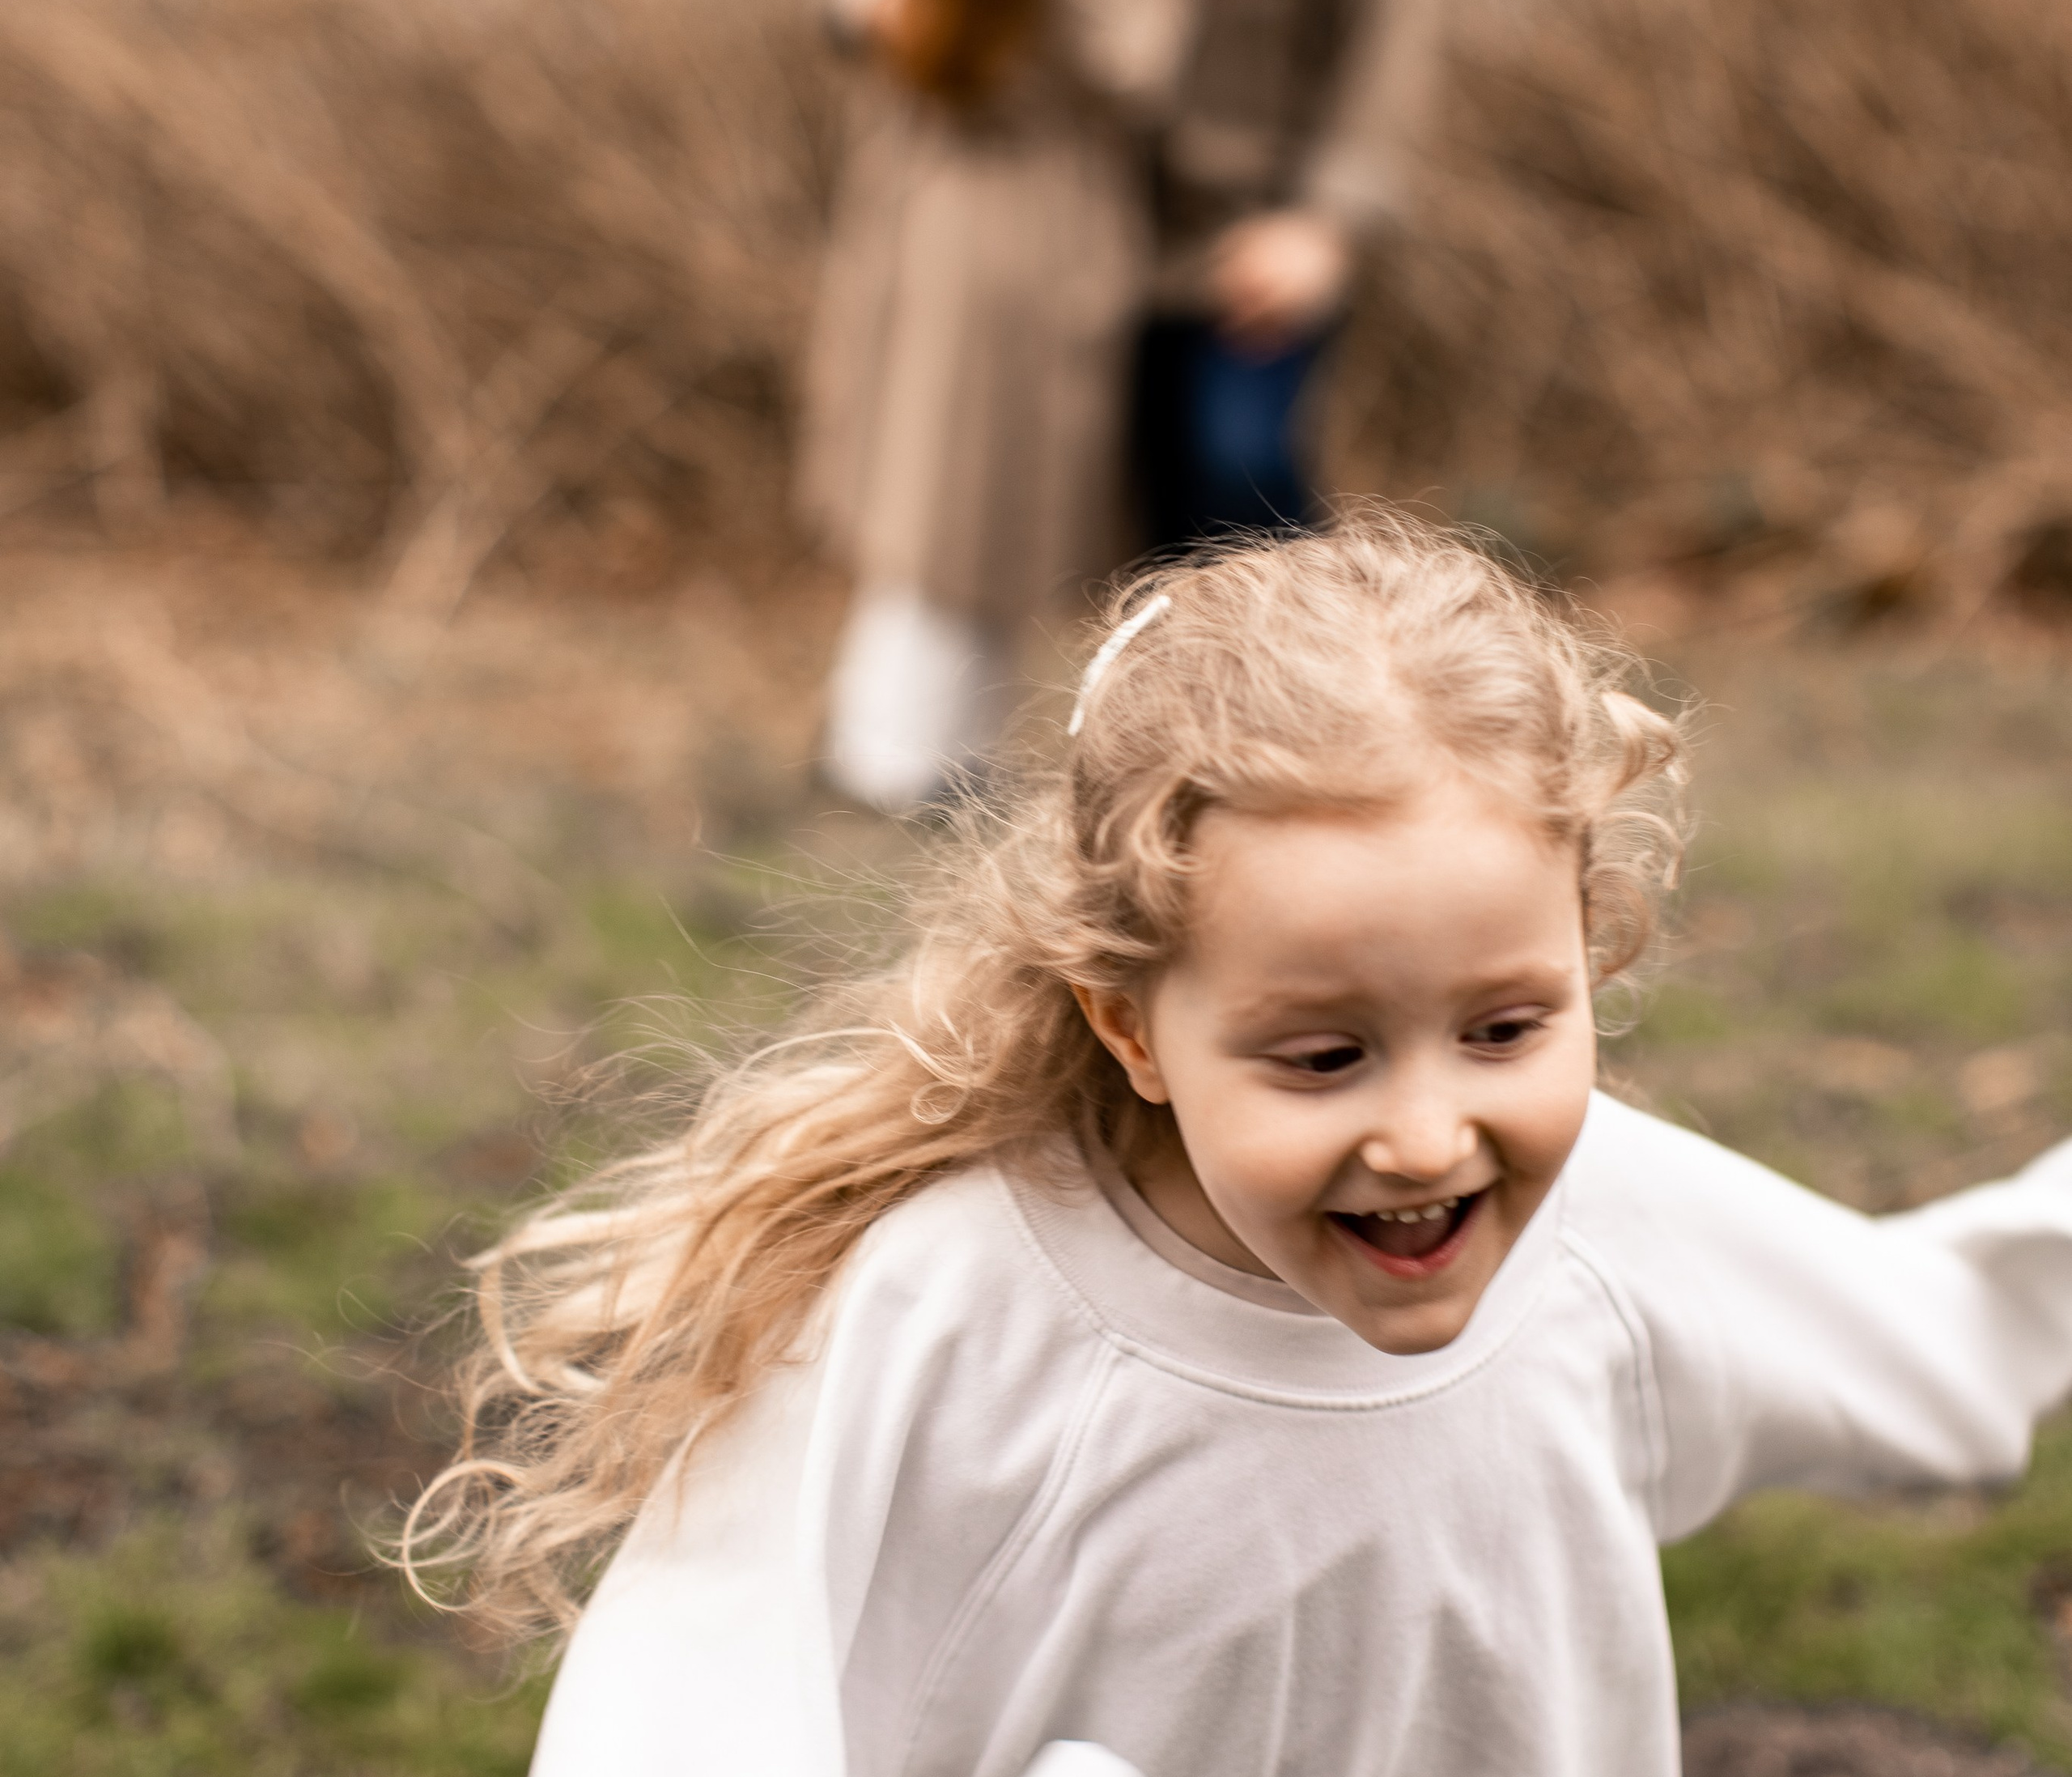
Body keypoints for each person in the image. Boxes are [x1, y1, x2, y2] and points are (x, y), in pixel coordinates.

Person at [406, 512, 2072, 1777]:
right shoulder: (944, 1314)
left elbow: (1943, 1339)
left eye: (1504, 1027)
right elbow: (677, 1719)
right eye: (1321, 1054)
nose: (1426, 1133)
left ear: (1590, 950)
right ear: (1132, 1022)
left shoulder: (1612, 1234)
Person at [799, 0, 1198, 812]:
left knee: (954, 495)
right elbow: (1134, 64)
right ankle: (893, 759)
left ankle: (921, 750)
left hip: (946, 214)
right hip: (1025, 232)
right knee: (970, 499)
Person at [1130, 0, 1443, 549]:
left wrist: (1323, 225)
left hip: (1249, 239)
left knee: (1241, 473)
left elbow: (1389, 53)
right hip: (1100, 240)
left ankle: (1309, 667)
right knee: (1133, 527)